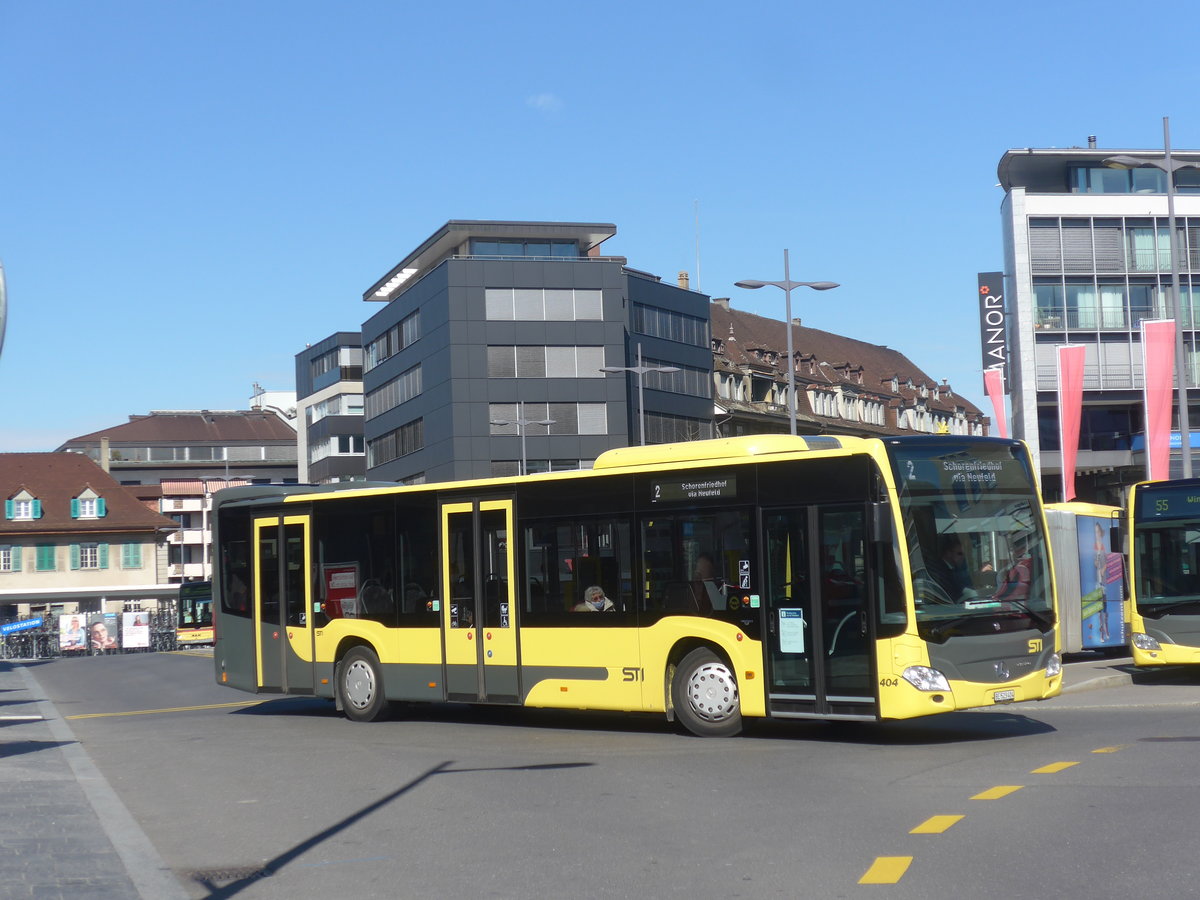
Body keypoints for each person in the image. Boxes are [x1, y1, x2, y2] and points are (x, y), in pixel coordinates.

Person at [926, 536, 975, 602]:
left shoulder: (952, 569)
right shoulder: (940, 571)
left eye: (964, 554)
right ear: (949, 553)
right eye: (959, 554)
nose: (963, 557)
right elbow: (952, 594)